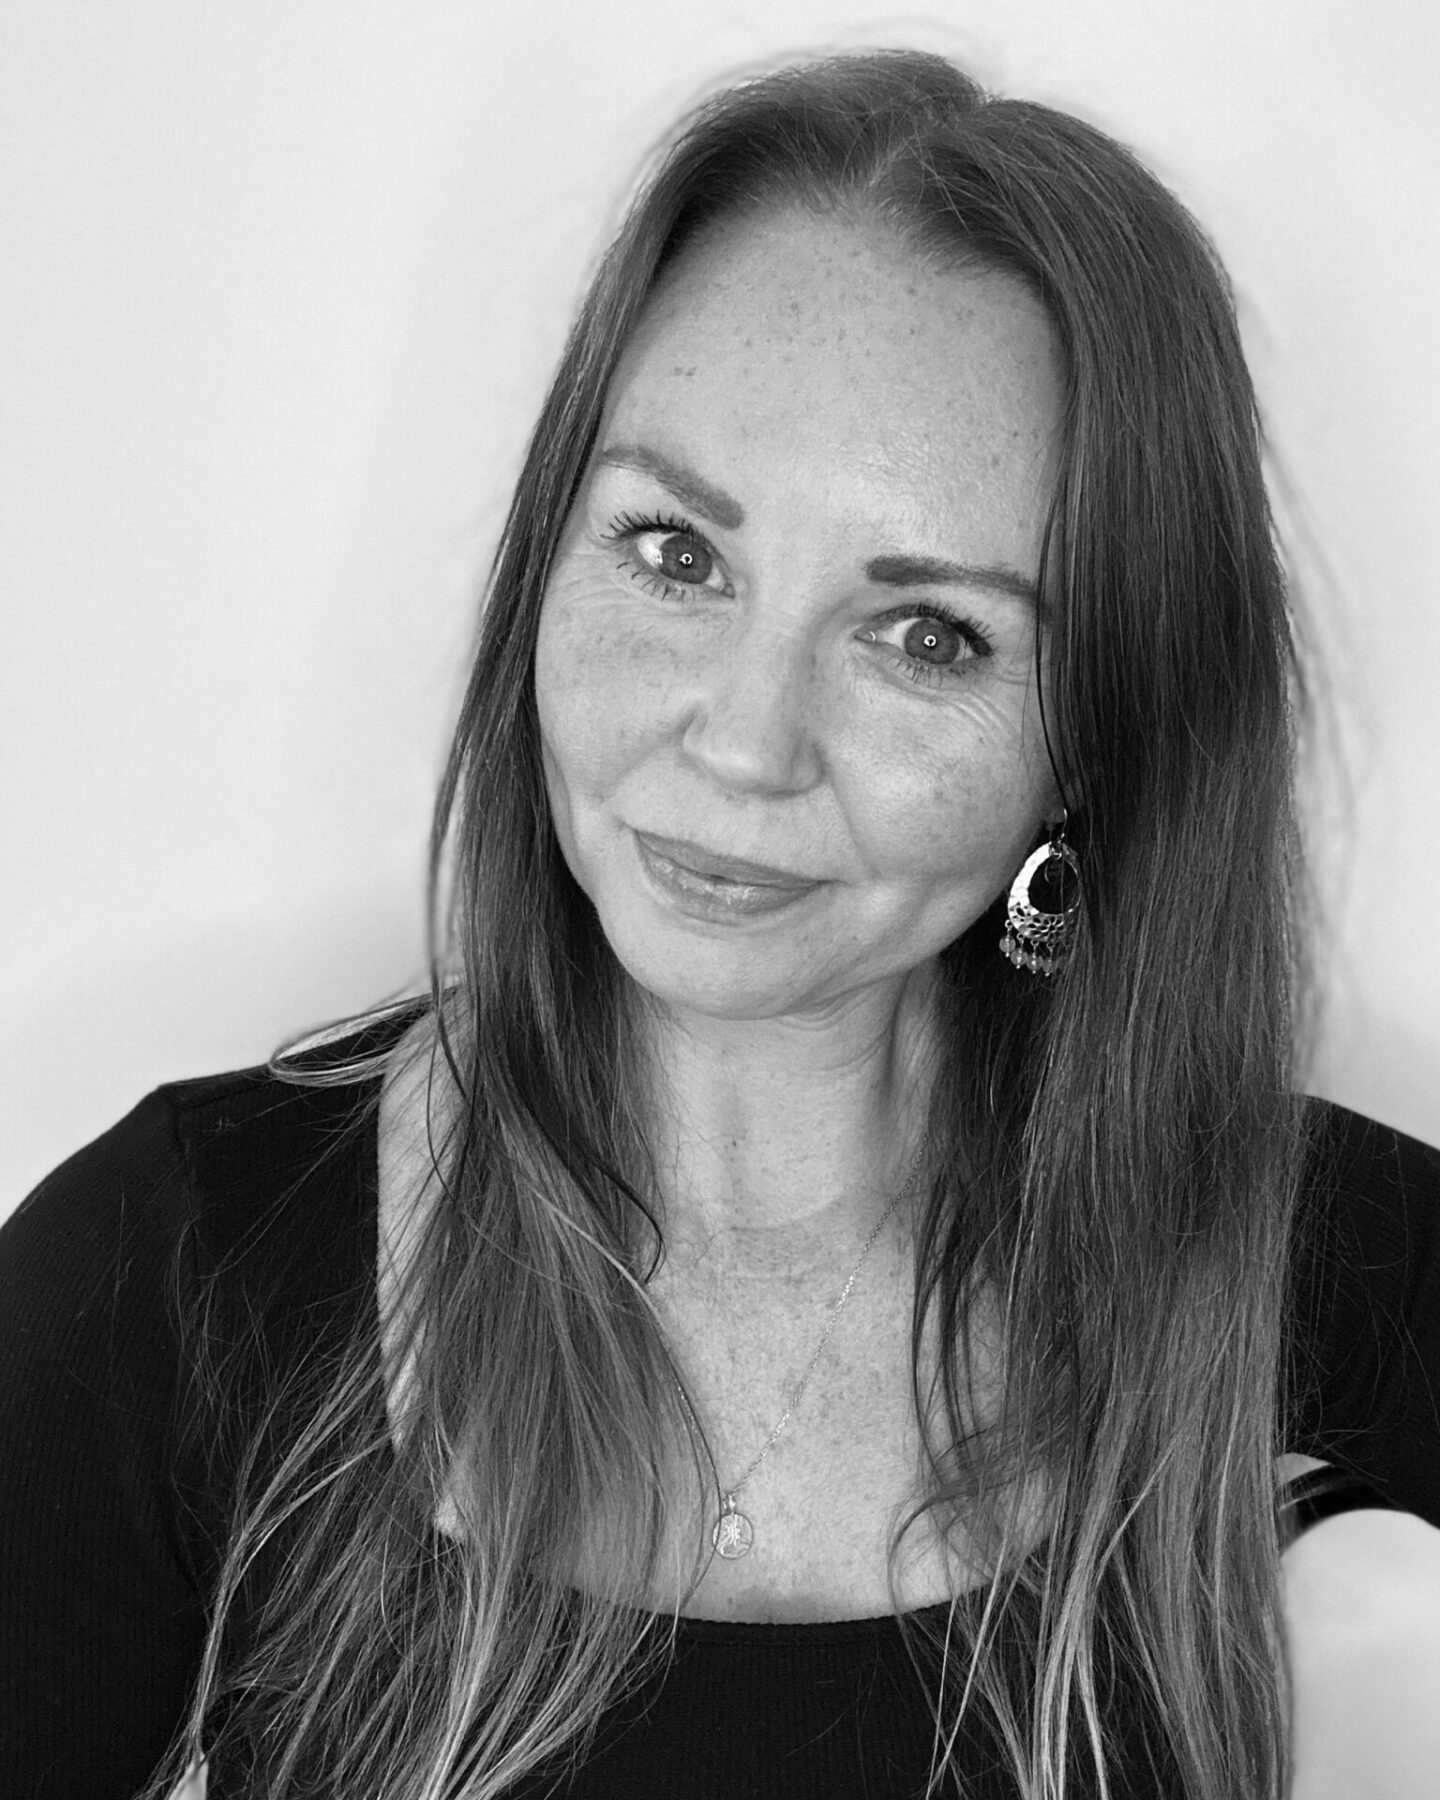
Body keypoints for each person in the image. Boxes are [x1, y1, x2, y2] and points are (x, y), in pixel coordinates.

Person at [3, 47, 1439, 1800]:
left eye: (929, 637)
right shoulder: (173, 1276)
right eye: (676, 550)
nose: (743, 741)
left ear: (1104, 735)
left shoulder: (1297, 1255)